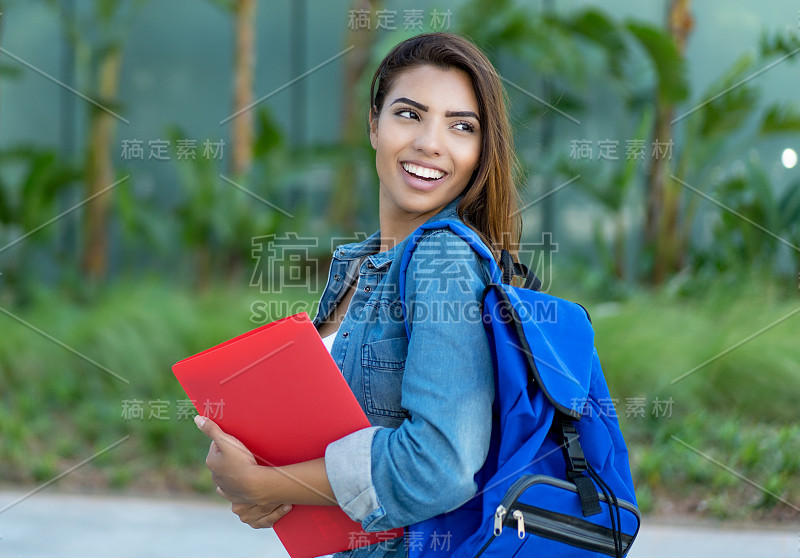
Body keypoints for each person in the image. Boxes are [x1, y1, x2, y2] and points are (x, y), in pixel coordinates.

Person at [193, 32, 523, 557]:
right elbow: (335, 443)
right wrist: (257, 482)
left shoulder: (444, 261)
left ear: (482, 149)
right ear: (374, 124)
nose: (430, 143)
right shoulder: (358, 265)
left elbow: (439, 467)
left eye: (462, 126)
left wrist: (267, 485)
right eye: (409, 114)